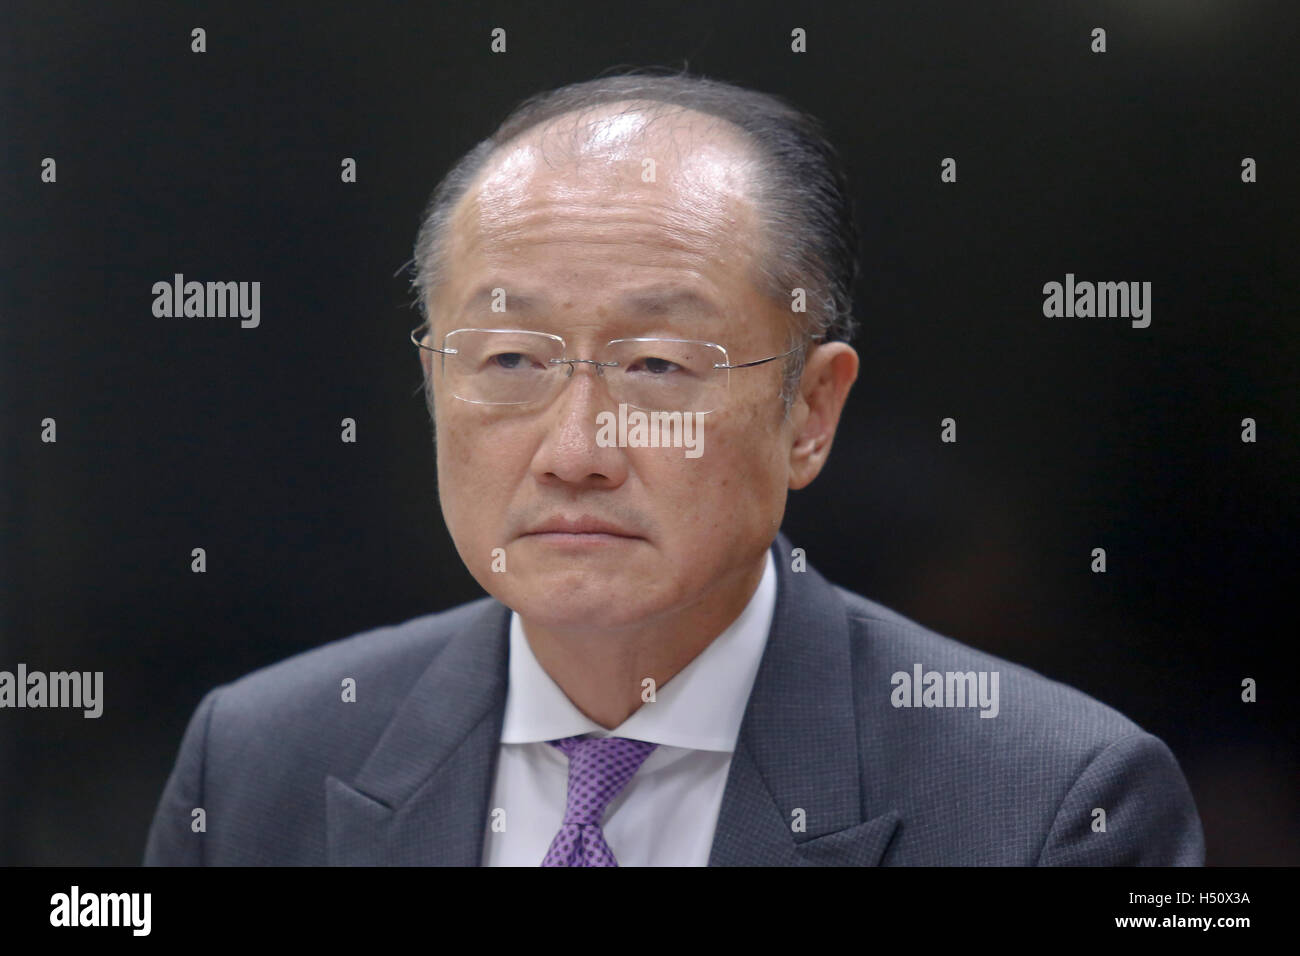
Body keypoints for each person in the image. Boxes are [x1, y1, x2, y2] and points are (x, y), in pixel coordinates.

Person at [144, 70, 1204, 866]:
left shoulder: (1056, 803)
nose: (575, 452)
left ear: (810, 410)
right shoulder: (255, 759)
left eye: (656, 365)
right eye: (509, 359)